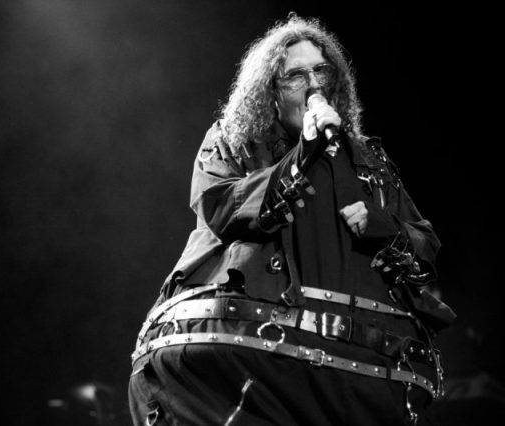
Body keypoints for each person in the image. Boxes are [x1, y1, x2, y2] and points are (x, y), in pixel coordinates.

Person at [128, 13, 455, 426]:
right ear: (271, 91)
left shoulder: (368, 160)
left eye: (321, 71)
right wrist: (304, 155)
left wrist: (384, 227)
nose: (315, 84)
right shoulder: (232, 141)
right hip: (252, 356)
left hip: (364, 371)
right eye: (296, 76)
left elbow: (426, 247)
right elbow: (222, 207)